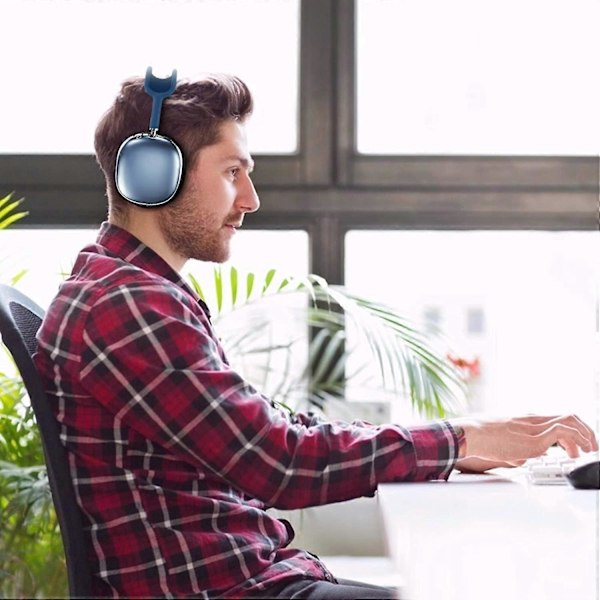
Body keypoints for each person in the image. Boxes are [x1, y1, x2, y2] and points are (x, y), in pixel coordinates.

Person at [34, 72, 598, 600]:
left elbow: (274, 430)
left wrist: (454, 445)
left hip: (251, 577)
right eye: (233, 172)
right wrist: (461, 440)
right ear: (154, 174)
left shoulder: (133, 290)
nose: (250, 199)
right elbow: (278, 463)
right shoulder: (128, 306)